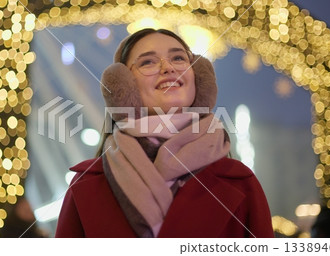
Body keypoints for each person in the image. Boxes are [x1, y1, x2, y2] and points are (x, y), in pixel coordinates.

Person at [55, 28, 273, 238]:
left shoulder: (241, 181)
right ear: (124, 86)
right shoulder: (86, 183)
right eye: (148, 62)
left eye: (178, 58)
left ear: (198, 78)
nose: (168, 68)